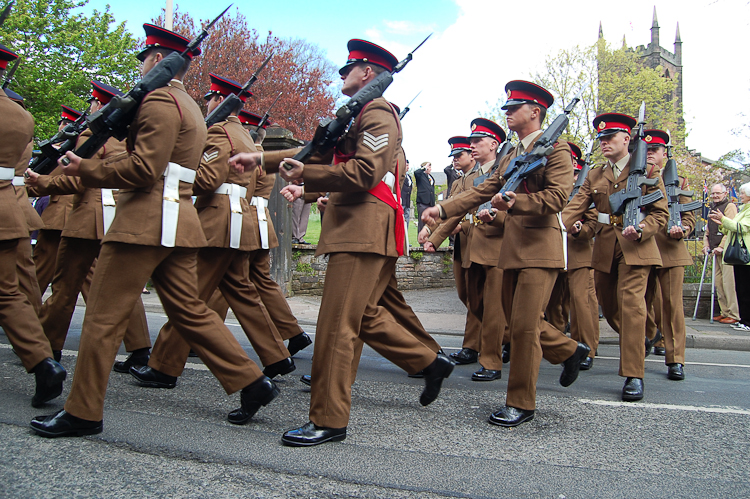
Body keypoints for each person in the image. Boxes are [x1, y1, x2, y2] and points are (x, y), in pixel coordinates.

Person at [30, 24, 278, 438]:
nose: (141, 67)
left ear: (158, 59)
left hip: (144, 222)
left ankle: (83, 411)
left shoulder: (159, 101)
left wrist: (85, 167)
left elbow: (144, 169)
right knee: (191, 312)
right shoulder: (191, 108)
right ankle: (252, 381)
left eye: (144, 59)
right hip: (178, 222)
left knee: (103, 319)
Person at [229, 38, 453, 446]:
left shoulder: (379, 112)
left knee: (336, 325)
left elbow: (365, 172)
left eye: (348, 68)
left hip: (362, 229)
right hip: (359, 227)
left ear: (368, 73)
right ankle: (427, 361)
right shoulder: (359, 114)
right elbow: (317, 153)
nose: (341, 74)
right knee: (363, 316)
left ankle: (329, 419)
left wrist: (307, 178)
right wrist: (262, 159)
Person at [423, 81, 589, 426]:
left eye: (515, 108)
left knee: (526, 328)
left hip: (541, 249)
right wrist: (442, 209)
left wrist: (517, 202)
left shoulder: (556, 150)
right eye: (508, 107)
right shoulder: (512, 155)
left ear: (535, 112)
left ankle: (521, 403)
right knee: (514, 322)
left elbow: (559, 198)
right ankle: (569, 350)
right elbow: (485, 188)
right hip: (511, 249)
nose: (509, 113)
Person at [130, 72, 296, 396]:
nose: (208, 104)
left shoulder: (220, 132)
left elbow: (208, 179)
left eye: (209, 99)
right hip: (236, 222)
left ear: (219, 100)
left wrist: (172, 179)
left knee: (189, 298)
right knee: (241, 291)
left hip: (219, 223)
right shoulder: (246, 137)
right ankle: (276, 356)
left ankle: (164, 365)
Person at [25, 81, 153, 372]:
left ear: (99, 106)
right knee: (122, 287)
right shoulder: (127, 137)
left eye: (93, 102)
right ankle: (140, 348)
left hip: (86, 217)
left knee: (64, 287)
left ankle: (48, 353)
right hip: (116, 216)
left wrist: (40, 183)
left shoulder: (93, 135)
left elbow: (75, 178)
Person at [564, 112, 669, 402]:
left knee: (632, 307)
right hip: (606, 248)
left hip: (637, 249)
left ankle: (633, 375)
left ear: (627, 139)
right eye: (601, 139)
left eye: (609, 138)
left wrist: (643, 228)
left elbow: (661, 214)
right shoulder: (596, 174)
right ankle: (640, 338)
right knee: (611, 309)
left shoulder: (647, 173)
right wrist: (562, 223)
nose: (604, 143)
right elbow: (575, 206)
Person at [0, 42, 67, 408]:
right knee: (11, 293)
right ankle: (44, 364)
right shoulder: (21, 116)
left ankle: (44, 364)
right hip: (10, 210)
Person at [424, 122, 509, 382]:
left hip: (496, 243)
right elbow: (458, 209)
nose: (471, 147)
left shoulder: (503, 170)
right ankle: (499, 339)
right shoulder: (469, 178)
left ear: (494, 145)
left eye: (477, 141)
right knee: (473, 301)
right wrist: (435, 236)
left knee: (493, 306)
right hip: (470, 243)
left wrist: (496, 218)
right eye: (469, 143)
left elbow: (512, 205)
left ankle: (490, 357)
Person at [420, 136, 482, 371]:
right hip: (462, 243)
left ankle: (474, 345)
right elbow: (446, 213)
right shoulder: (456, 183)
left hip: (478, 240)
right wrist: (430, 230)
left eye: (459, 155)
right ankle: (498, 337)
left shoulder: (481, 178)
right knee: (465, 294)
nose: (455, 160)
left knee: (477, 297)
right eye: (453, 156)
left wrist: (436, 238)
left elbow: (464, 214)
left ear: (471, 155)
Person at [642, 129, 695, 380]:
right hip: (642, 246)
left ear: (664, 153)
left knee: (672, 306)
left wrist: (683, 229)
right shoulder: (637, 177)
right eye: (647, 150)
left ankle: (676, 359)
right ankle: (651, 333)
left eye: (656, 150)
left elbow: (689, 217)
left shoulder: (679, 182)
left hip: (671, 249)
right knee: (638, 303)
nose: (651, 154)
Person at [547, 142, 600, 370]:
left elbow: (593, 220)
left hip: (577, 251)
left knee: (582, 303)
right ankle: (560, 345)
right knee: (552, 303)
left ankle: (585, 348)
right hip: (552, 251)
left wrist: (582, 230)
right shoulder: (550, 180)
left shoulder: (584, 184)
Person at [28, 106, 78, 294]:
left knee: (39, 274)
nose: (61, 127)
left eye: (64, 124)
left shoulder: (62, 153)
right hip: (83, 219)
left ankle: (24, 318)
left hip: (59, 216)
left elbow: (44, 181)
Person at [709, 182, 750, 331]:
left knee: (738, 286)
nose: (740, 195)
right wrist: (721, 223)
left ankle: (741, 317)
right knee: (729, 284)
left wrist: (723, 220)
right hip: (729, 252)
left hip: (742, 253)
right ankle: (734, 315)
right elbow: (728, 228)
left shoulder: (738, 208)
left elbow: (739, 227)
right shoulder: (742, 209)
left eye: (743, 193)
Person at [703, 184, 740, 324]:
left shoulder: (730, 206)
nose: (715, 196)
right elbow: (708, 230)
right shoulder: (712, 207)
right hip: (714, 251)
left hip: (726, 251)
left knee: (728, 282)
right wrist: (706, 245)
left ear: (725, 194)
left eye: (718, 193)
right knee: (718, 282)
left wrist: (721, 246)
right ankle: (724, 311)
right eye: (713, 194)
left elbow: (730, 227)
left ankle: (733, 313)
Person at [414, 161, 435, 233]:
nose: (430, 168)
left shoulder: (431, 177)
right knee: (422, 221)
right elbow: (416, 172)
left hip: (430, 202)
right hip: (422, 201)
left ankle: (429, 238)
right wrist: (424, 168)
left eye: (430, 167)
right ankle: (422, 241)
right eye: (428, 167)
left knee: (430, 221)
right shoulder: (420, 175)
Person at [401, 160, 413, 231]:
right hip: (402, 201)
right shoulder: (400, 176)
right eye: (406, 165)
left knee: (407, 221)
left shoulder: (409, 177)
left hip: (407, 202)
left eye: (408, 165)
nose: (407, 167)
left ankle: (406, 240)